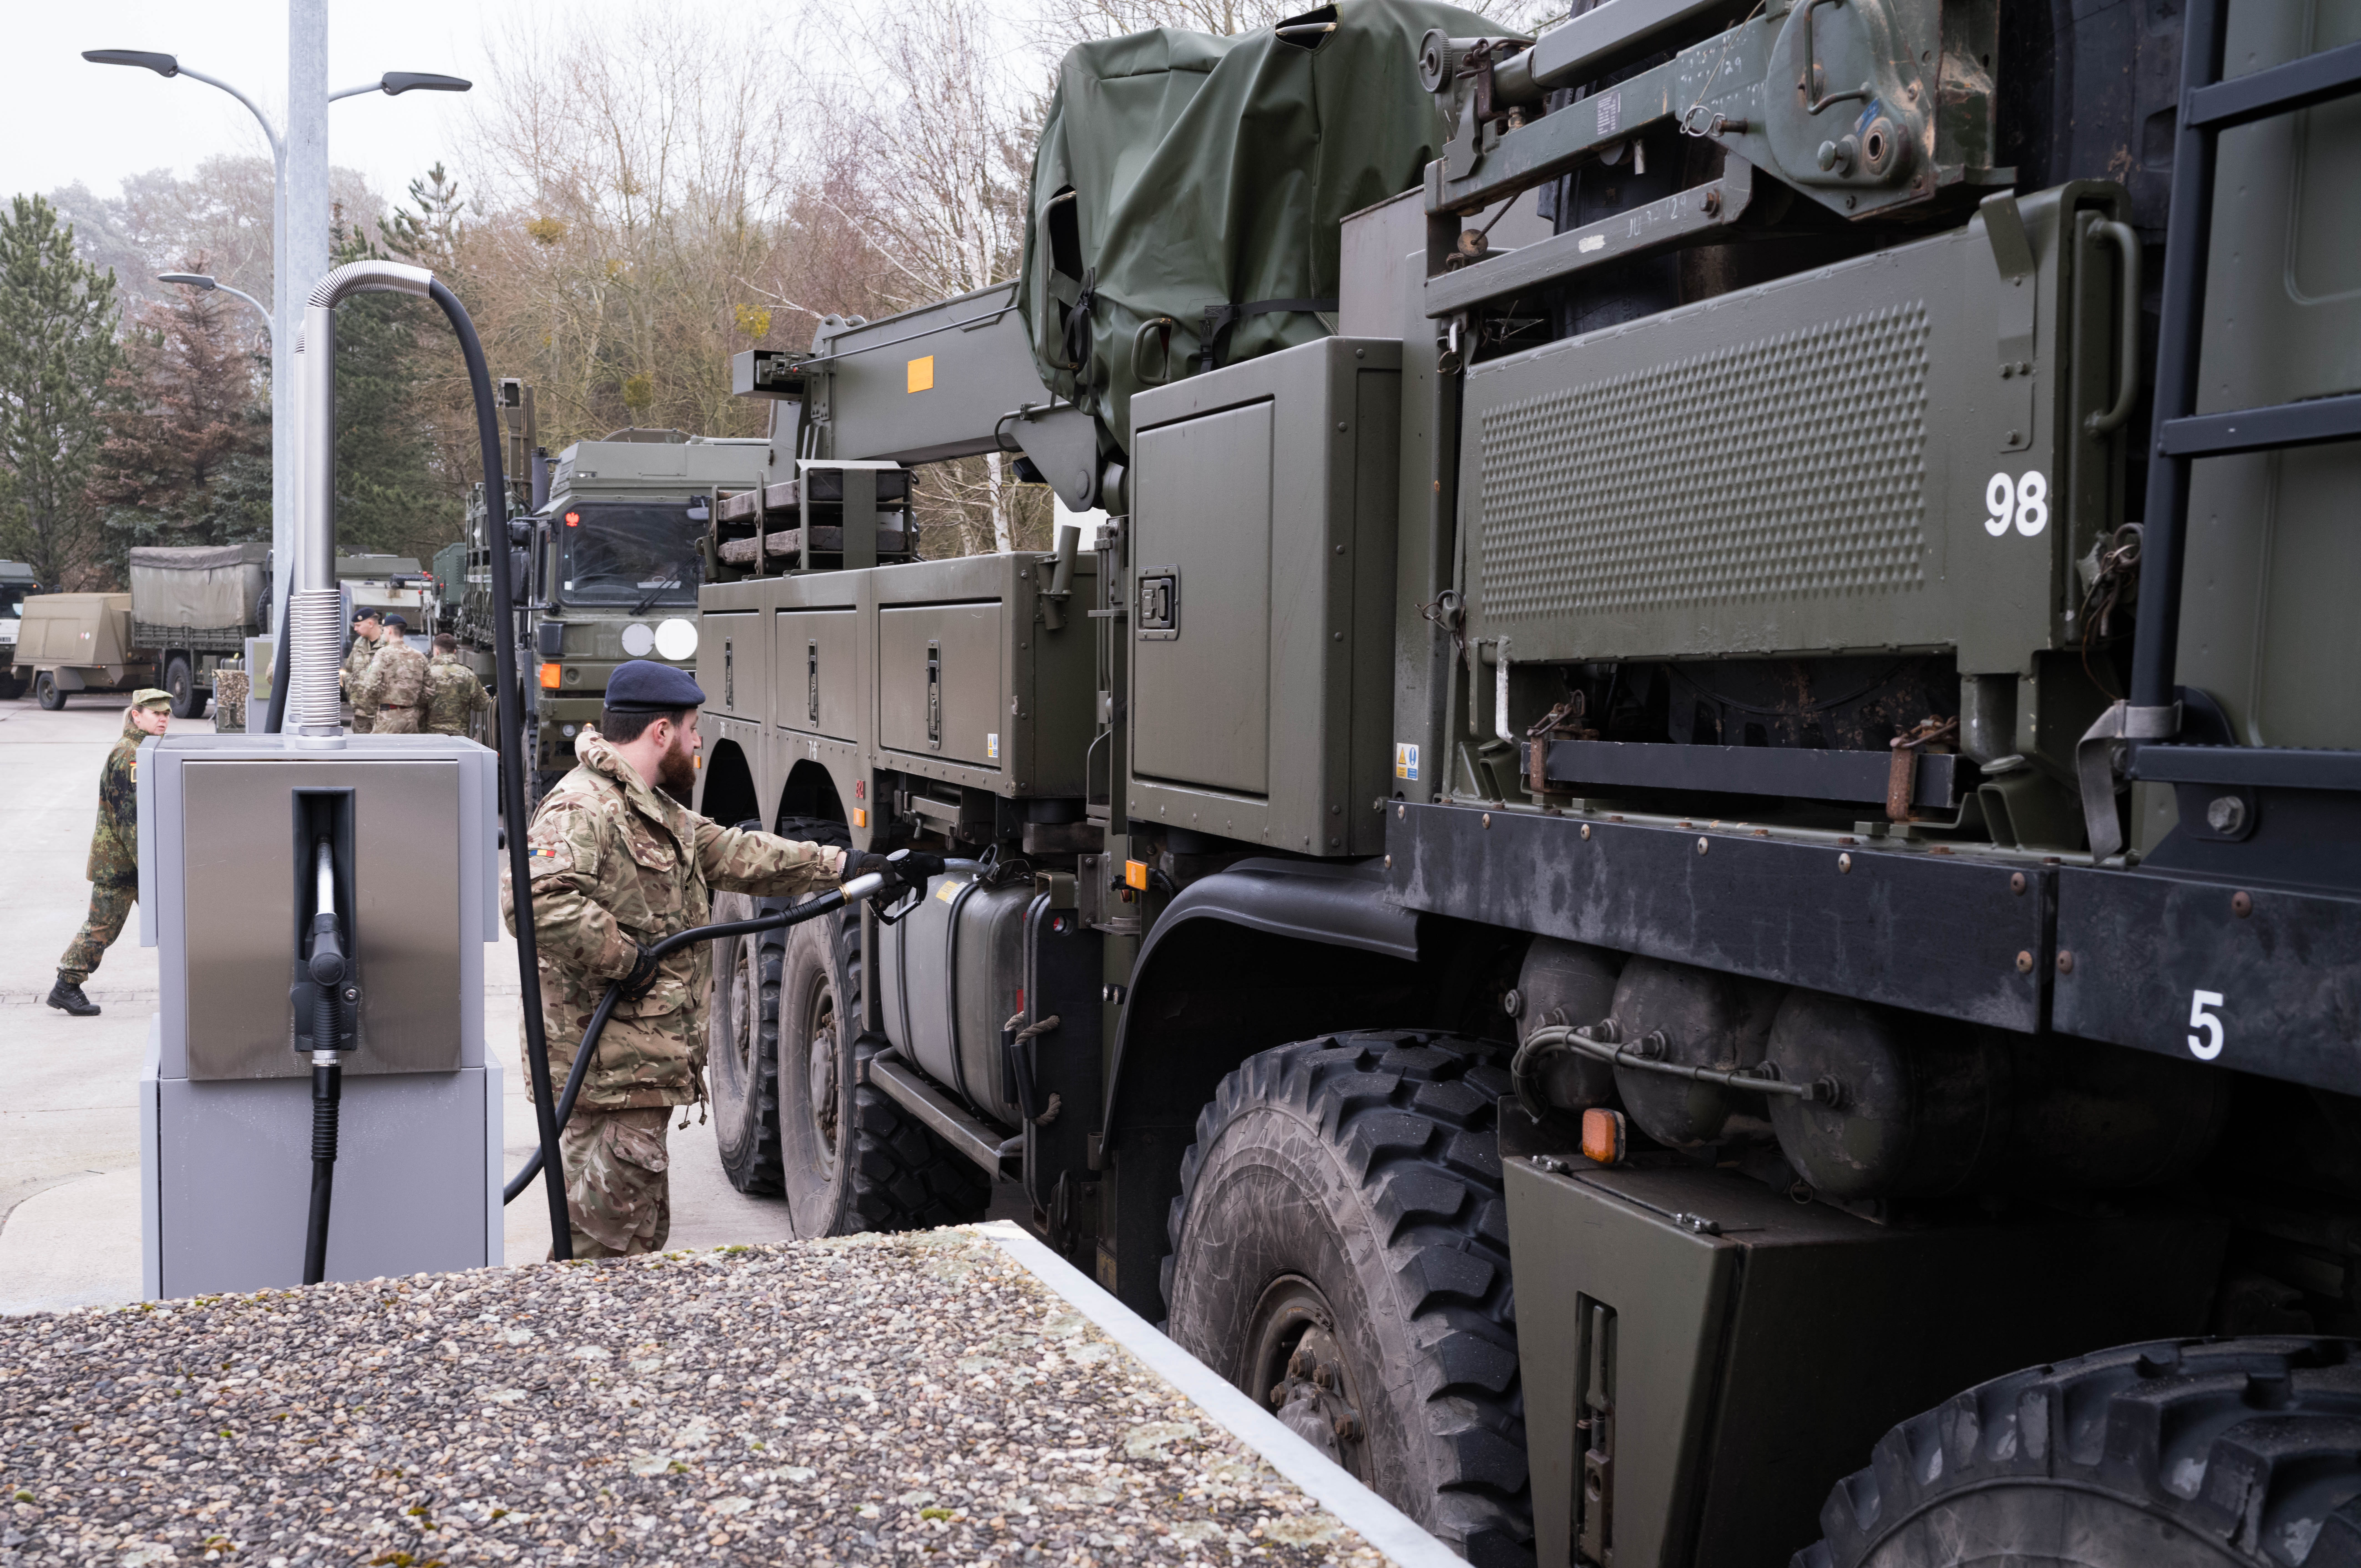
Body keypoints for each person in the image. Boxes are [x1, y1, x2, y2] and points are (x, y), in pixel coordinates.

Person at [501, 659, 934, 1258]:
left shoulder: (648, 806)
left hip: (632, 1075)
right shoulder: (585, 808)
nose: (699, 740)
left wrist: (846, 866)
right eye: (692, 727)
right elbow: (533, 904)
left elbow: (734, 852)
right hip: (602, 1077)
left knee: (631, 1244)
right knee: (601, 1258)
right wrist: (628, 960)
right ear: (661, 733)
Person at [48, 689, 170, 1016]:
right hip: (121, 863)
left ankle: (190, 984)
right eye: (155, 713)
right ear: (136, 716)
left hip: (131, 862)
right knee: (102, 928)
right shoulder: (130, 755)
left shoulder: (144, 749)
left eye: (167, 714)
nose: (163, 719)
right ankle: (65, 986)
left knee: (173, 922)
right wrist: (156, 866)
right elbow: (131, 820)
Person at [354, 613, 430, 734]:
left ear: (389, 630)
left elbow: (371, 687)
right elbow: (429, 691)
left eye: (384, 630)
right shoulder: (420, 656)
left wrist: (376, 706)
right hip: (412, 719)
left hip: (388, 717)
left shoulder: (383, 654)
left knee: (383, 751)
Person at [424, 633, 491, 739]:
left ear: (436, 651)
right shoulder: (468, 674)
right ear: (455, 652)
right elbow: (482, 706)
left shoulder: (427, 674)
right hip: (460, 737)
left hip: (431, 736)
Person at [342, 610, 384, 733]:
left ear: (371, 624)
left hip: (381, 712)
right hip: (361, 712)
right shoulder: (359, 643)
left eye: (358, 625)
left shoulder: (387, 643)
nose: (355, 629)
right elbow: (349, 669)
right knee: (361, 748)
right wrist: (351, 692)